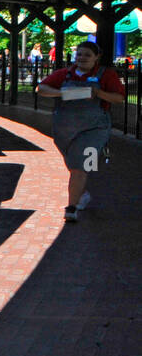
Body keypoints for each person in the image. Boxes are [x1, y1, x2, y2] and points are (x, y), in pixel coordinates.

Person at [36, 40, 125, 221]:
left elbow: (118, 98)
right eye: (79, 55)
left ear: (96, 58)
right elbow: (41, 88)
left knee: (80, 166)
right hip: (65, 130)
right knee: (75, 165)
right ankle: (82, 192)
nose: (82, 58)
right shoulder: (64, 74)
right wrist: (60, 93)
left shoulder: (106, 75)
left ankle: (71, 208)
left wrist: (98, 93)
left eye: (87, 55)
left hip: (94, 129)